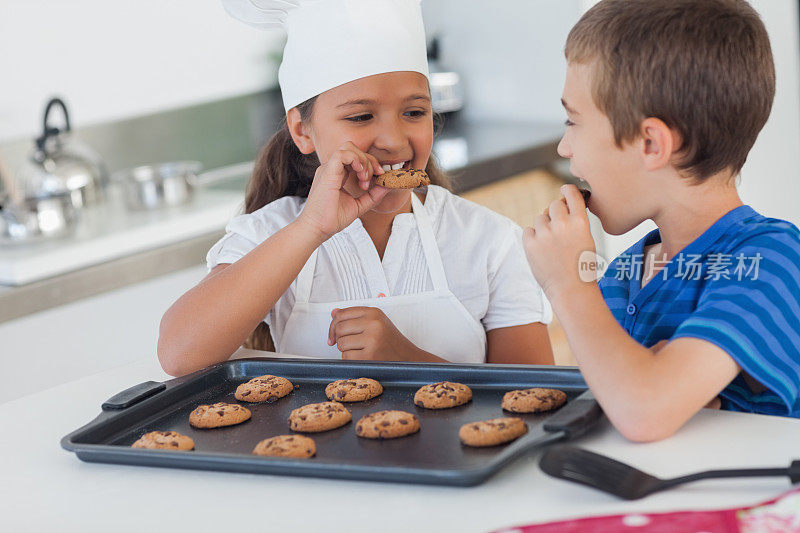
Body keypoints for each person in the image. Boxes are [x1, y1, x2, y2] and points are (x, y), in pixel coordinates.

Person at [157, 0, 554, 376]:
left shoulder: (489, 242)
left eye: (415, 112)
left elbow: (535, 401)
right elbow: (179, 354)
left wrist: (409, 360)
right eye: (362, 116)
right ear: (302, 130)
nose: (394, 141)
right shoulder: (270, 233)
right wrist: (311, 228)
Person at [524, 0, 800, 442]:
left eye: (573, 121)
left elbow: (642, 411)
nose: (564, 147)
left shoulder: (771, 260)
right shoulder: (621, 276)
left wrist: (568, 288)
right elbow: (618, 399)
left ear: (651, 143)